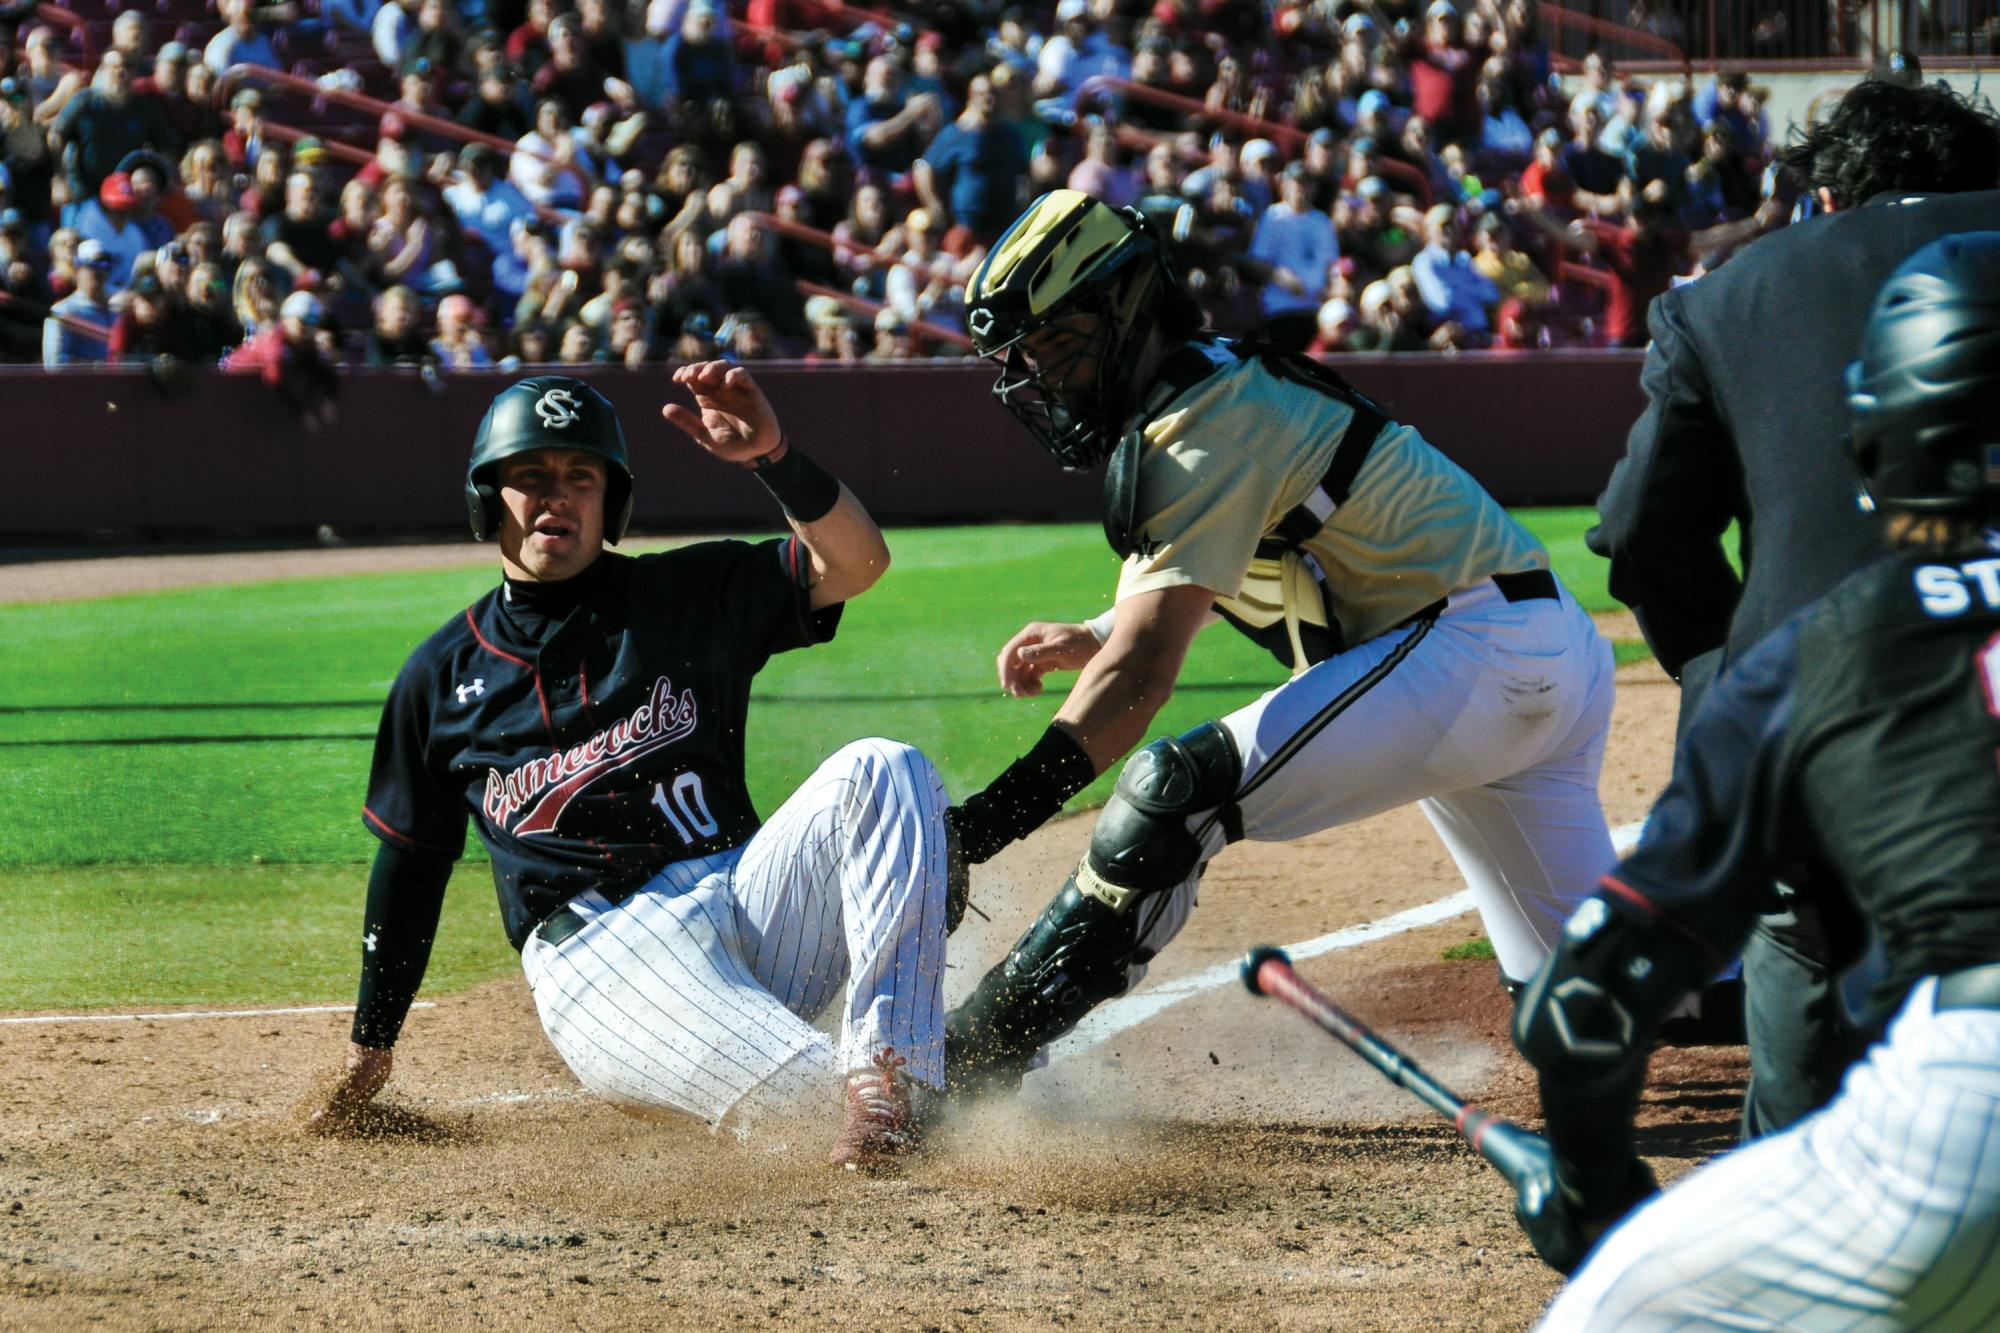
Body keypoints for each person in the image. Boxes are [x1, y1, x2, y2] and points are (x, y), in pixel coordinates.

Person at [941, 191, 1618, 1097]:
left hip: (1472, 653)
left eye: (1054, 342)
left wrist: (978, 828)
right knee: (1590, 1005)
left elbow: (1141, 675)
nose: (1040, 372)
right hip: (1536, 649)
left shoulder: (1198, 424)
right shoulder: (1217, 385)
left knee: (1173, 795)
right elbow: (1265, 556)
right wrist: (1101, 630)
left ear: (1123, 306)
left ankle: (974, 1055)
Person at [1512, 232, 2000, 1328]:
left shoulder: (1823, 646)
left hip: (1963, 1123)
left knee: (1611, 1310)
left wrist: (1593, 1191)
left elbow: (1587, 998)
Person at [308, 369, 958, 1171]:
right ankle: (932, 1080)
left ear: (611, 502)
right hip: (606, 955)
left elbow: (858, 563)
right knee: (808, 1107)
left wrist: (776, 457)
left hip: (748, 894)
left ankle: (890, 1076)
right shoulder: (439, 677)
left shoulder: (685, 591)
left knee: (884, 768)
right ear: (488, 498)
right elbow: (410, 867)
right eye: (531, 475)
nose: (558, 496)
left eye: (581, 476)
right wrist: (370, 1047)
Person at [1589, 76, 2000, 1138]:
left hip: (1819, 737)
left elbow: (1640, 531)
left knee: (1803, 1065)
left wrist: (1717, 671)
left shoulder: (1724, 296)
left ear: (1823, 195)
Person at [42, 237, 114, 365]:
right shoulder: (62, 311)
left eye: (104, 265)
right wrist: (97, 367)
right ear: (77, 269)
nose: (98, 272)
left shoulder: (117, 309)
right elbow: (54, 363)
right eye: (91, 265)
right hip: (78, 384)